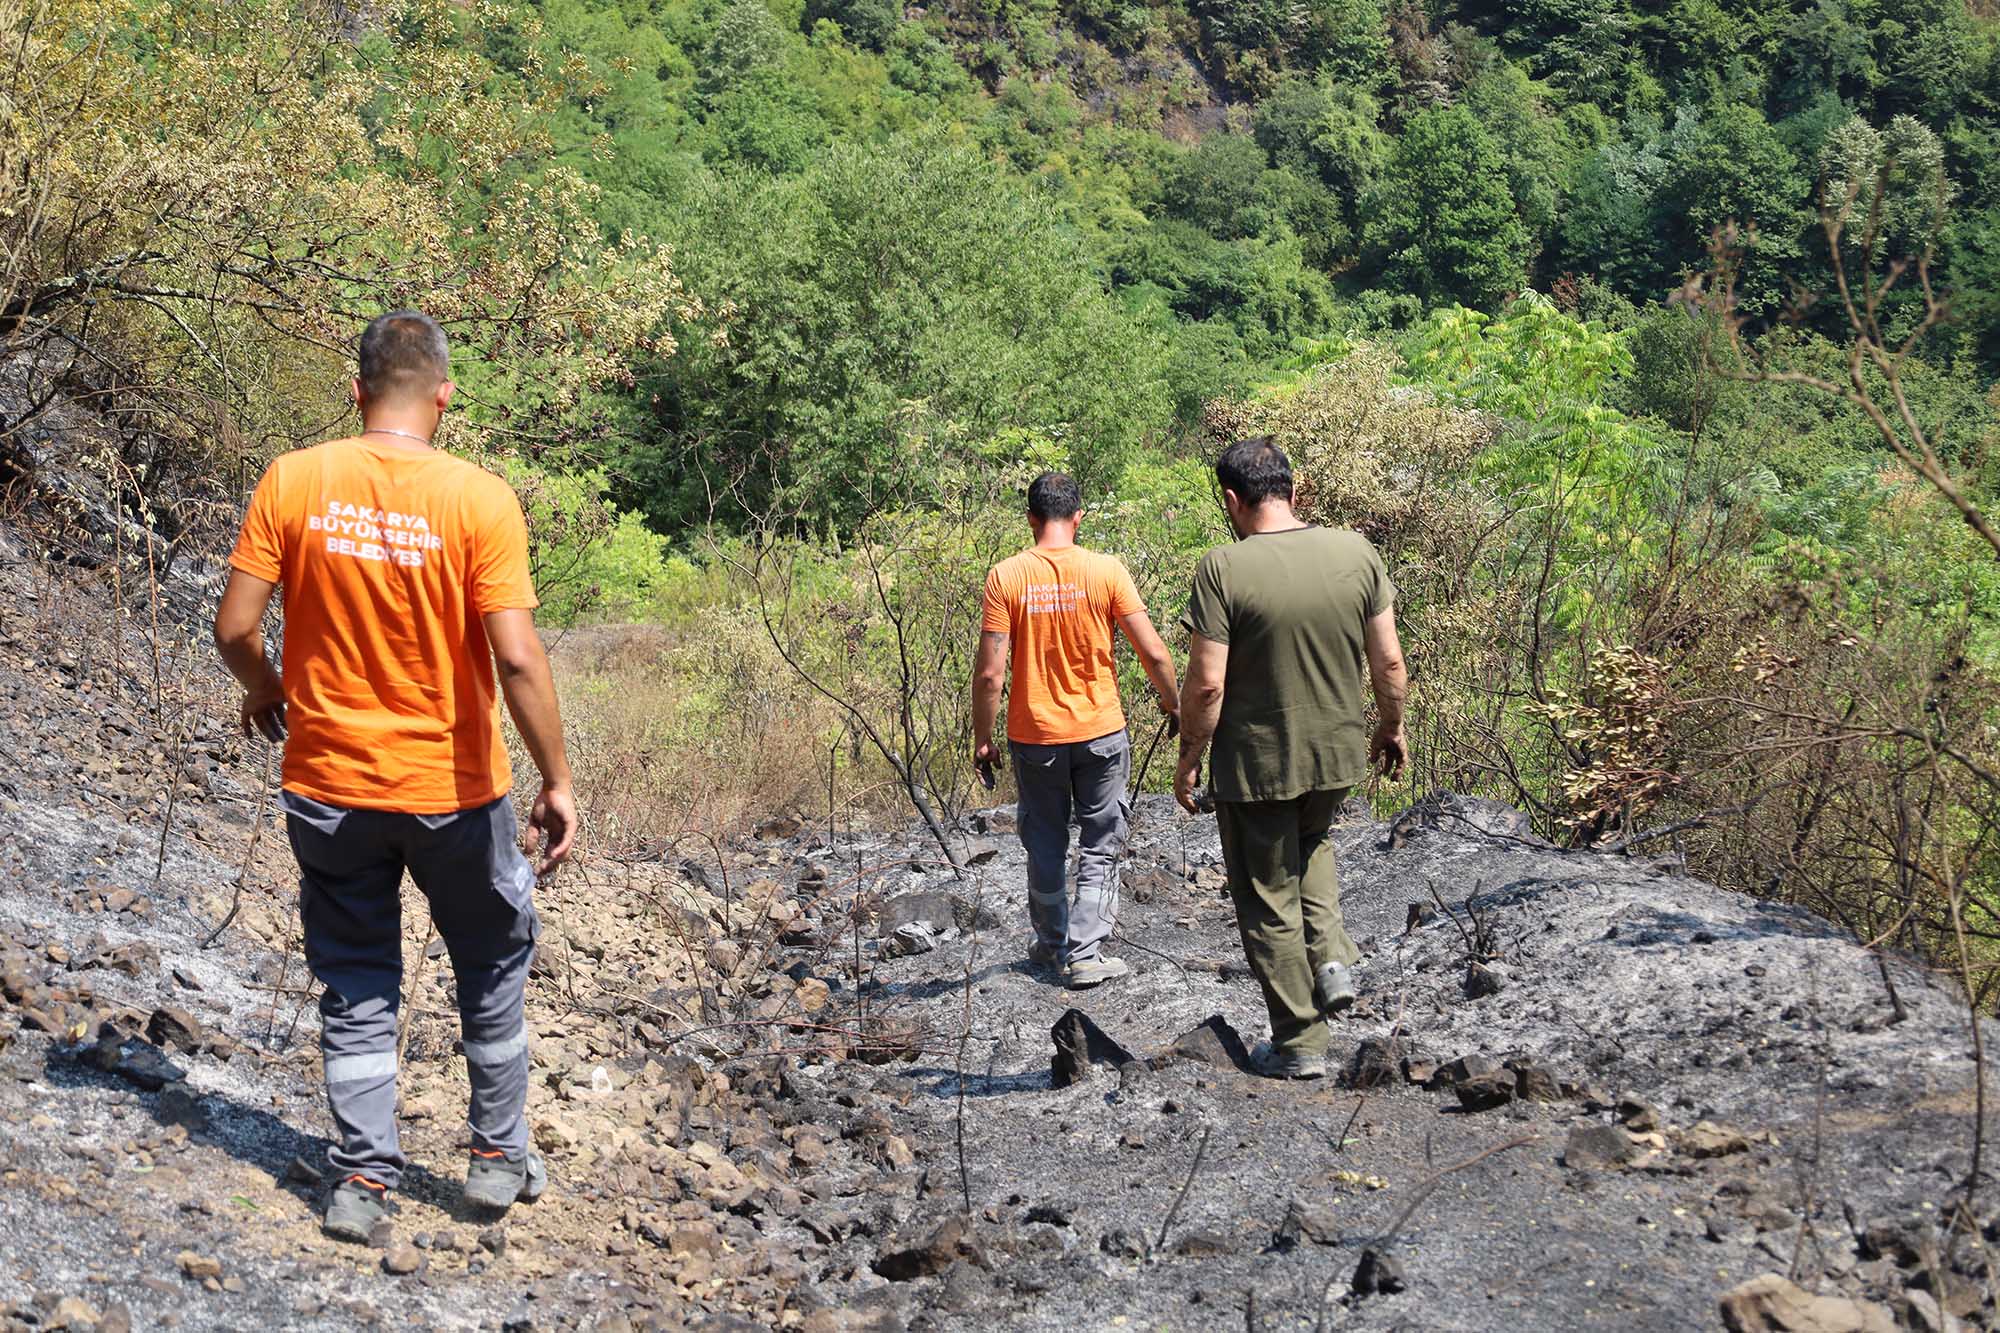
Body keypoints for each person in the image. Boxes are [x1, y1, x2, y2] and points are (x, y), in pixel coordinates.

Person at [212, 311, 576, 1241]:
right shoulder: (480, 498)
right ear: (443, 395)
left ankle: (363, 1179)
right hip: (454, 788)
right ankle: (496, 1159)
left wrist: (268, 689)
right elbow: (520, 660)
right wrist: (557, 777)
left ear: (357, 390)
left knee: (358, 978)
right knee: (491, 961)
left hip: (331, 785)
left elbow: (234, 629)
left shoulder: (294, 481)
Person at [1173, 437, 1407, 1079]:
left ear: (1231, 499)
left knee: (1267, 893)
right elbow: (1387, 659)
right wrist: (1390, 727)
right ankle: (1332, 962)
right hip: (1335, 754)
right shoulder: (1357, 551)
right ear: (1293, 488)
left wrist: (1190, 755)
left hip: (1257, 766)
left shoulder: (1223, 567)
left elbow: (1208, 683)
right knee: (1313, 848)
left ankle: (1300, 1044)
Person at [972, 472, 1180, 988]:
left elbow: (990, 673)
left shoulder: (1007, 576)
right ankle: (1086, 953)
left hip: (1034, 734)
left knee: (1044, 841)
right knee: (1101, 840)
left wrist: (983, 737)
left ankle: (1050, 945)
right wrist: (1174, 703)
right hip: (1101, 731)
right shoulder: (1106, 571)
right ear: (1078, 518)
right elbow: (1152, 651)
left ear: (1031, 519)